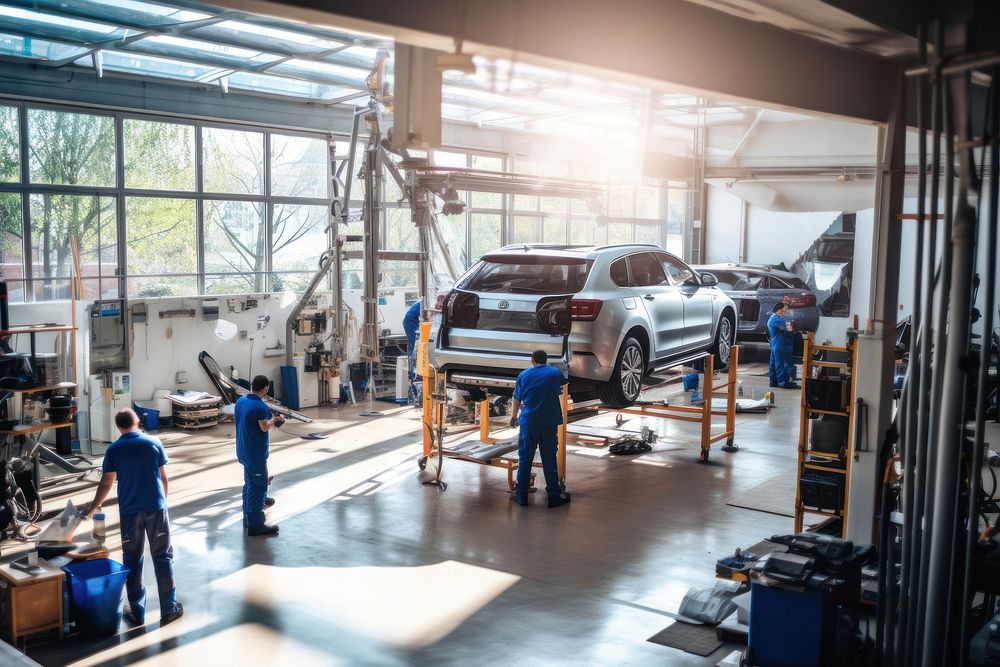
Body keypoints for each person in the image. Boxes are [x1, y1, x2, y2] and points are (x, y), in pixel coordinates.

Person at [85, 408, 183, 626]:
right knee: (163, 557)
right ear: (137, 421)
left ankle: (137, 612)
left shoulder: (114, 449)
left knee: (132, 559)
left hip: (130, 512)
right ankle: (169, 609)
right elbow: (163, 477)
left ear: (118, 426)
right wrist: (162, 503)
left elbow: (106, 482)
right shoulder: (154, 443)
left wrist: (93, 507)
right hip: (155, 509)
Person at [508, 349, 571, 508]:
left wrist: (514, 416)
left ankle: (521, 497)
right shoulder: (554, 372)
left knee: (525, 459)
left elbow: (516, 399)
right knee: (549, 460)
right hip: (549, 423)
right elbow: (564, 383)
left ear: (532, 360)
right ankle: (554, 497)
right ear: (546, 360)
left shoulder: (523, 375)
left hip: (529, 422)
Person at [235, 375, 284, 536]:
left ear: (252, 386)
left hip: (243, 449)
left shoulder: (241, 401)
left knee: (249, 482)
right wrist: (275, 420)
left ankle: (247, 516)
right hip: (255, 452)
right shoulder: (259, 407)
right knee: (258, 486)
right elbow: (264, 427)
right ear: (266, 389)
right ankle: (256, 525)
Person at [767, 302, 800, 389]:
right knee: (781, 363)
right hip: (779, 345)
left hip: (775, 344)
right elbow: (787, 328)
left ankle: (773, 381)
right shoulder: (776, 319)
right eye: (784, 309)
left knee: (774, 363)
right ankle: (783, 382)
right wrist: (791, 325)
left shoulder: (773, 318)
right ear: (779, 309)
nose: (785, 311)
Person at [403, 300, 421, 401]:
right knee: (414, 348)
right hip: (410, 322)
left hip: (411, 322)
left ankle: (413, 375)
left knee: (413, 347)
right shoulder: (422, 303)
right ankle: (413, 375)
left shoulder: (421, 302)